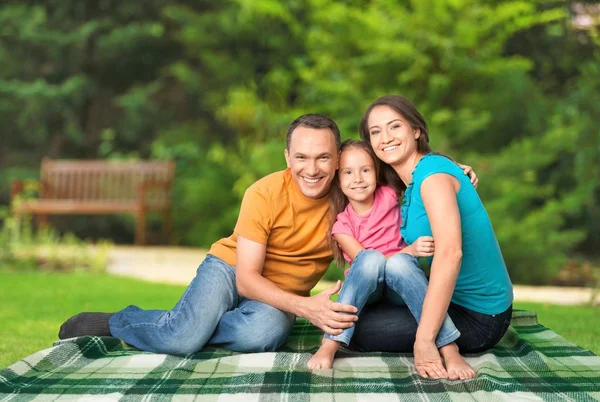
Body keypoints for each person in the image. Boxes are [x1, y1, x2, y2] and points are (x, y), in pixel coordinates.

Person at [58, 114, 361, 354]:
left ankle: (185, 323)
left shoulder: (349, 196)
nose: (312, 169)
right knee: (180, 340)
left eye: (323, 157)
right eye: (301, 157)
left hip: (276, 297)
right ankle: (119, 322)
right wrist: (303, 307)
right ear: (287, 158)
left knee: (264, 334)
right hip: (231, 268)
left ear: (338, 159)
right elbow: (246, 278)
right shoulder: (264, 193)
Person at [348, 95, 513, 380]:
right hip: (454, 302)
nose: (385, 137)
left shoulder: (432, 176)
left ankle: (440, 341)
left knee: (356, 330)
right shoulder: (412, 178)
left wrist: (424, 341)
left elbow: (451, 254)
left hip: (480, 317)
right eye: (376, 132)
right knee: (353, 318)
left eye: (395, 126)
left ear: (416, 130)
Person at [306, 139, 476, 379]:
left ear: (376, 173)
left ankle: (449, 348)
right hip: (370, 289)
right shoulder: (342, 227)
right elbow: (370, 266)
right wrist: (411, 251)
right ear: (338, 178)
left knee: (399, 265)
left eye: (365, 170)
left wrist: (454, 169)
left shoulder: (390, 195)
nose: (358, 179)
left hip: (401, 283)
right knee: (372, 259)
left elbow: (422, 176)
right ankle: (330, 344)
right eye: (348, 172)